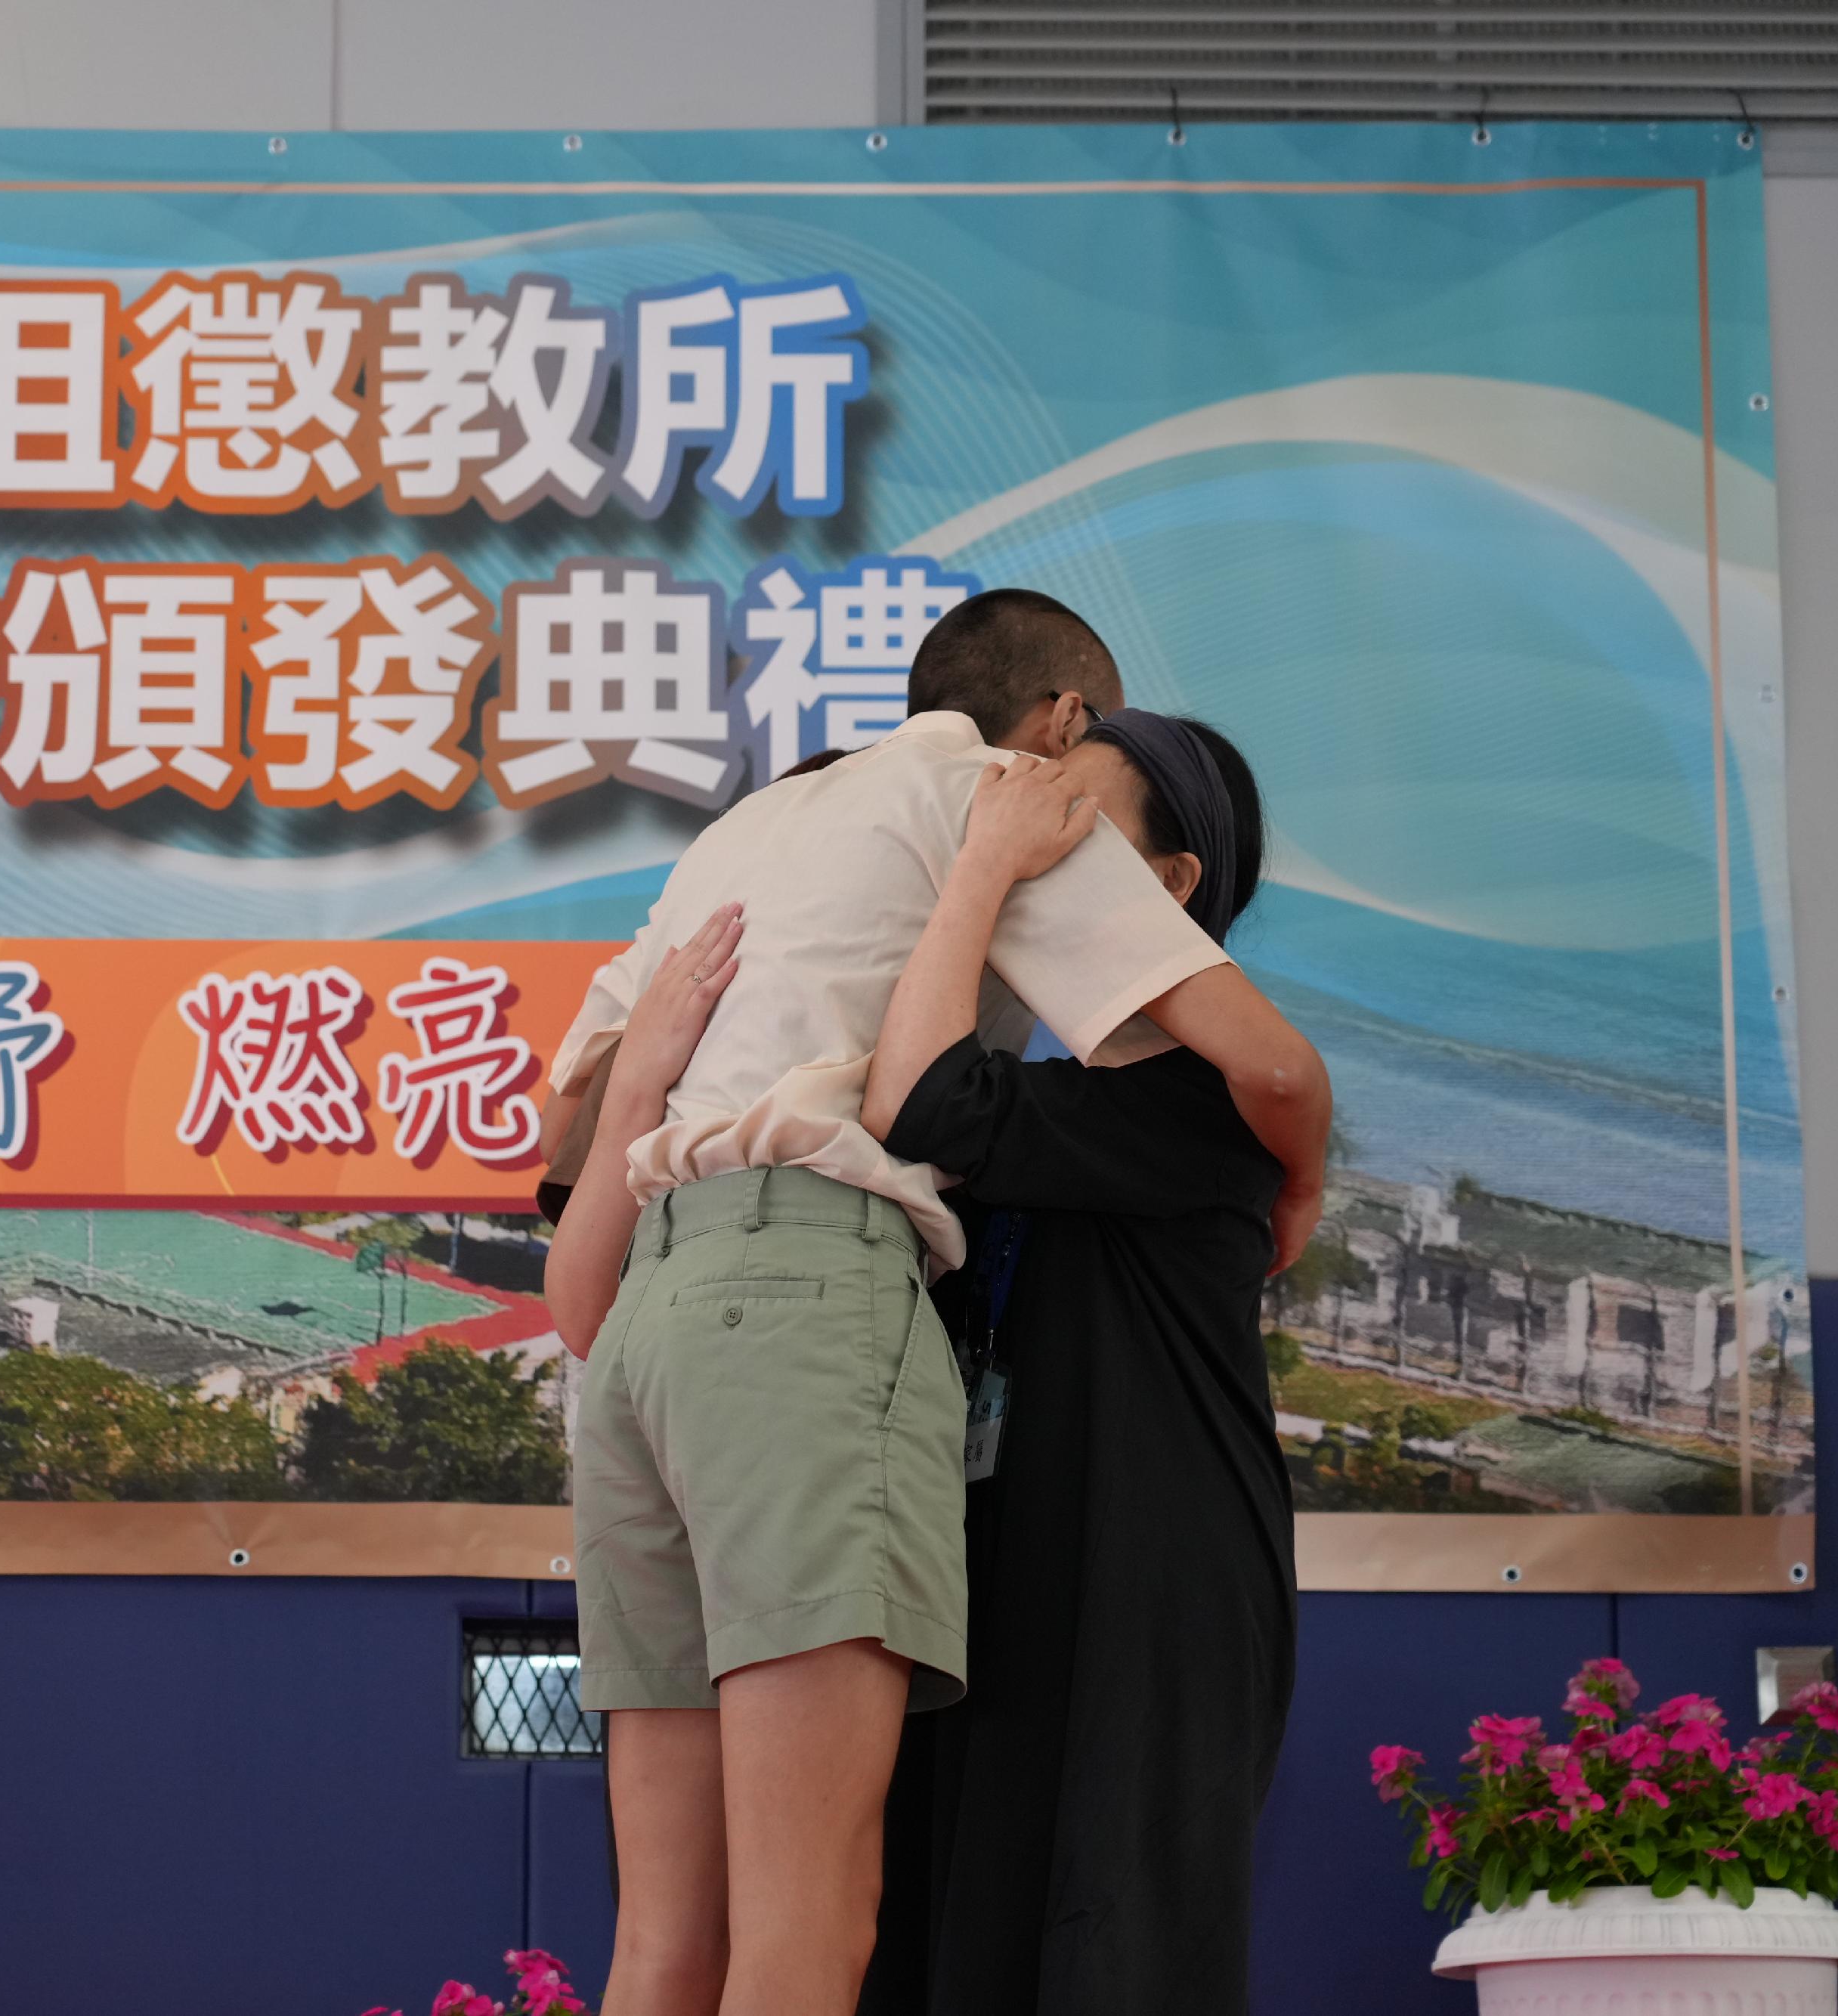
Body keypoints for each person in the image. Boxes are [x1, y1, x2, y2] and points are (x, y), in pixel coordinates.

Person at [536, 591, 1329, 2016]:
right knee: (810, 1932)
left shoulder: (752, 832)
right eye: (1057, 790)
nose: (1048, 827)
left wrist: (651, 1090)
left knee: (675, 1937)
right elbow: (952, 1095)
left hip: (662, 1332)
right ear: (1056, 727)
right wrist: (1308, 1179)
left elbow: (572, 1206)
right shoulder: (993, 810)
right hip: (797, 1329)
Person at [850, 714, 1297, 2016]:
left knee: (1118, 1944)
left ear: (1168, 892)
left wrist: (979, 875)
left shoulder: (1210, 1096)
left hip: (1156, 1583)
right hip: (1004, 1573)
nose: (1022, 848)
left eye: (1065, 832)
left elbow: (926, 1105)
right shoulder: (1060, 1091)